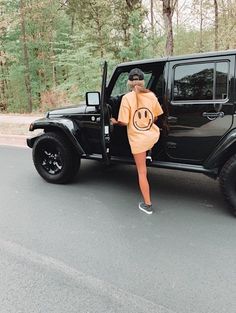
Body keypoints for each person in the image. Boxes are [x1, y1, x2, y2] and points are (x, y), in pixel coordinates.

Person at [111, 68, 163, 215]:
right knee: (150, 139)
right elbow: (157, 116)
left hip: (138, 141)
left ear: (129, 83)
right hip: (152, 135)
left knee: (142, 172)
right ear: (142, 81)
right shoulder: (151, 96)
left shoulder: (127, 98)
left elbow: (124, 122)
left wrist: (114, 121)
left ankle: (148, 205)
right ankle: (149, 152)